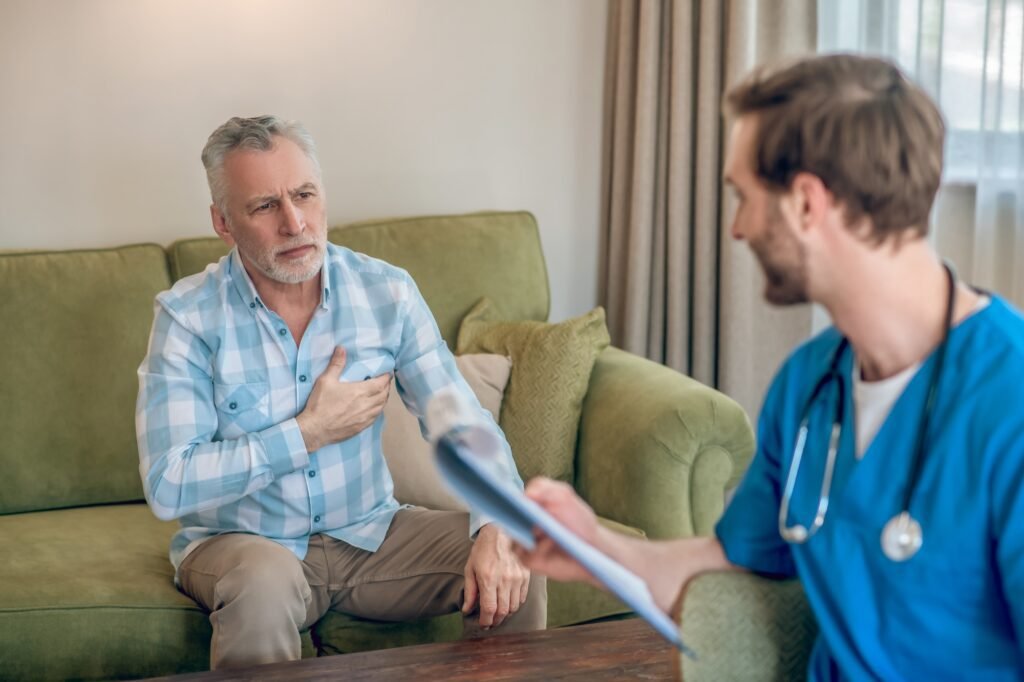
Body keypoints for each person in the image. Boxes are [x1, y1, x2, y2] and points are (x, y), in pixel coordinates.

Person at [517, 54, 1024, 679]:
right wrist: (595, 545)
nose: (736, 227)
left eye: (744, 196)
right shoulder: (810, 385)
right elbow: (732, 566)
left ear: (807, 203)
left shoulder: (1009, 399)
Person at [135, 115, 545, 670]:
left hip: (371, 532)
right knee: (263, 581)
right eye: (264, 206)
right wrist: (307, 433)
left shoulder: (386, 292)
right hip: (247, 542)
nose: (295, 222)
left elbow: (458, 419)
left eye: (304, 194)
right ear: (224, 223)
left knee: (520, 545)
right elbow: (169, 483)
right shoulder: (187, 317)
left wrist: (497, 519)